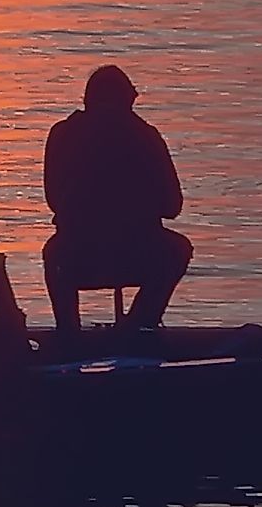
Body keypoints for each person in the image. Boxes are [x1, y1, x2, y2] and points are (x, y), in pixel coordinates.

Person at [42, 65, 192, 336]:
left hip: (77, 255)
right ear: (125, 101)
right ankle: (139, 326)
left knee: (53, 254)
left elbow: (54, 201)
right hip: (137, 252)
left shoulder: (62, 134)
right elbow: (173, 207)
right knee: (178, 250)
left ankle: (68, 335)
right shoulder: (145, 136)